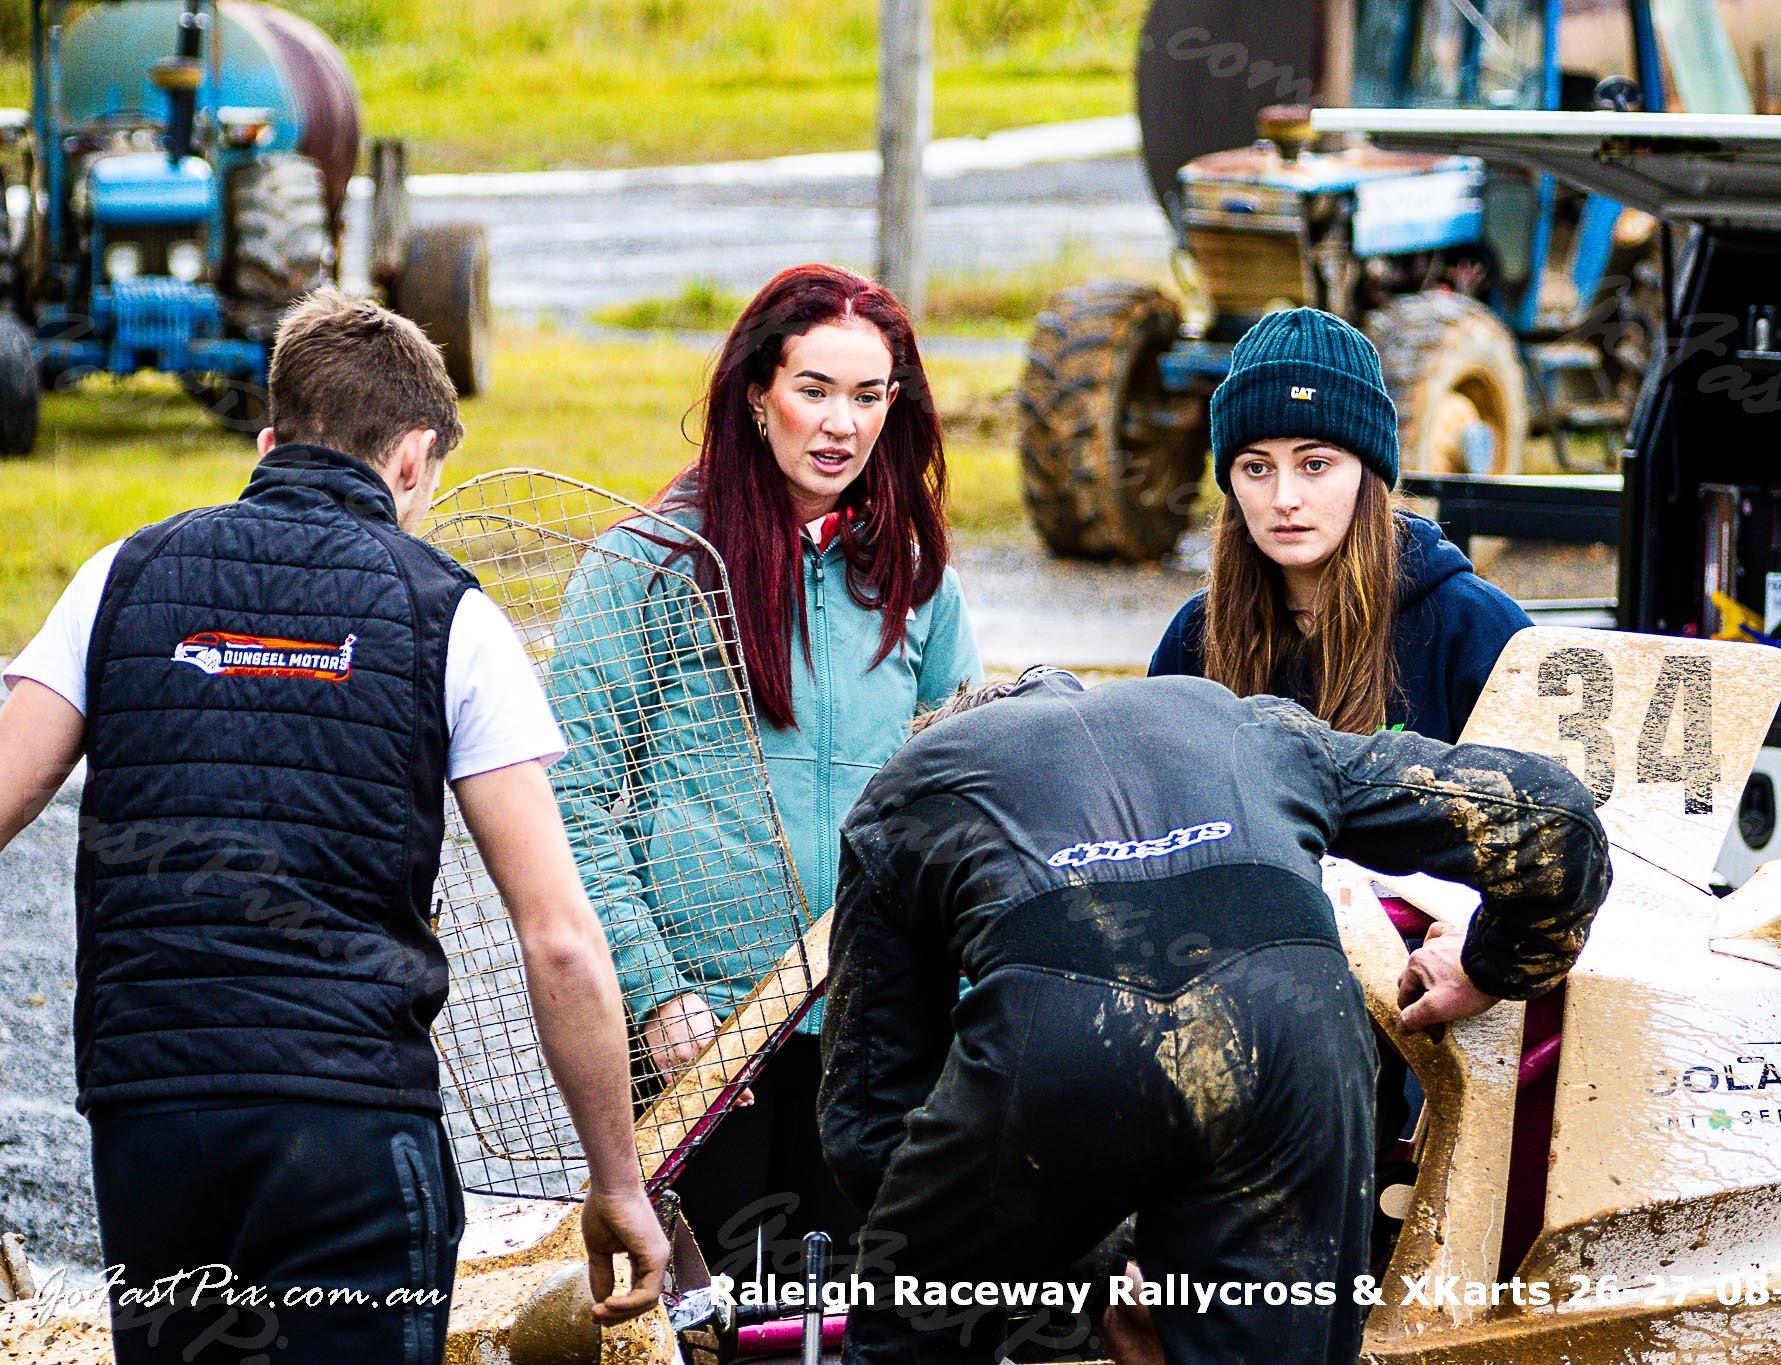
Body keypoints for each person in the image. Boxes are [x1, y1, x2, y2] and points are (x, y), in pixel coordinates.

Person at [0, 289, 667, 1361]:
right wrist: (616, 1181)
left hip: (151, 1120)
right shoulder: (450, 614)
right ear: (412, 459)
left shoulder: (118, 577)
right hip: (350, 1120)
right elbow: (557, 937)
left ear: (268, 443)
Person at [818, 667, 1611, 1365]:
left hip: (1057, 1039)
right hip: (1294, 1032)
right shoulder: (1245, 723)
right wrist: (1493, 966)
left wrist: (1090, 1265)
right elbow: (1555, 821)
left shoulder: (905, 790)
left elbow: (870, 1125)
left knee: (912, 1319)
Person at [549, 264, 982, 1277]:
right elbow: (571, 794)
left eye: (867, 396)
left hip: (876, 1030)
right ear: (756, 395)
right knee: (714, 1324)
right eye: (813, 389)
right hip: (708, 1038)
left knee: (856, 1321)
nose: (840, 424)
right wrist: (657, 994)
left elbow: (968, 805)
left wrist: (958, 997)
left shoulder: (920, 579)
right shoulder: (650, 564)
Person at [1150, 306, 1531, 743]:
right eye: (1257, 468)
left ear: (1368, 475)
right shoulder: (1196, 636)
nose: (1284, 499)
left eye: (1314, 464)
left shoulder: (1477, 631)